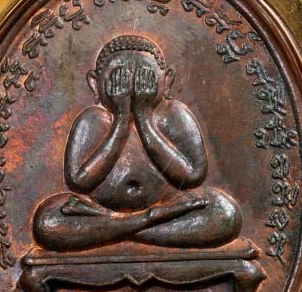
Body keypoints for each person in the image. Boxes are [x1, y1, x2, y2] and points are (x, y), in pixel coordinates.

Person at [33, 35, 242, 251]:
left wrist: (143, 118)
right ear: (95, 84)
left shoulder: (174, 115)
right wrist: (121, 120)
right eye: (120, 79)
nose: (132, 89)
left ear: (166, 81)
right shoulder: (92, 119)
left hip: (161, 208)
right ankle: (147, 223)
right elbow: (79, 181)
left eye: (145, 78)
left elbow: (193, 176)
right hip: (110, 209)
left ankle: (116, 230)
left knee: (224, 213)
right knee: (47, 220)